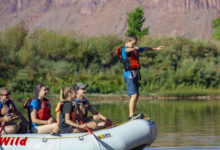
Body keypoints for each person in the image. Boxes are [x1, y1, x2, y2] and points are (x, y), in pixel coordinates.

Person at [116, 34, 165, 120]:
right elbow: (127, 49)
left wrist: (156, 49)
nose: (134, 45)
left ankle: (133, 115)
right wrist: (133, 48)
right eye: (133, 44)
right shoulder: (124, 50)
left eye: (135, 44)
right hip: (129, 76)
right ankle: (131, 116)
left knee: (136, 95)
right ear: (127, 42)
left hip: (134, 75)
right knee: (134, 95)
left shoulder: (134, 49)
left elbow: (145, 48)